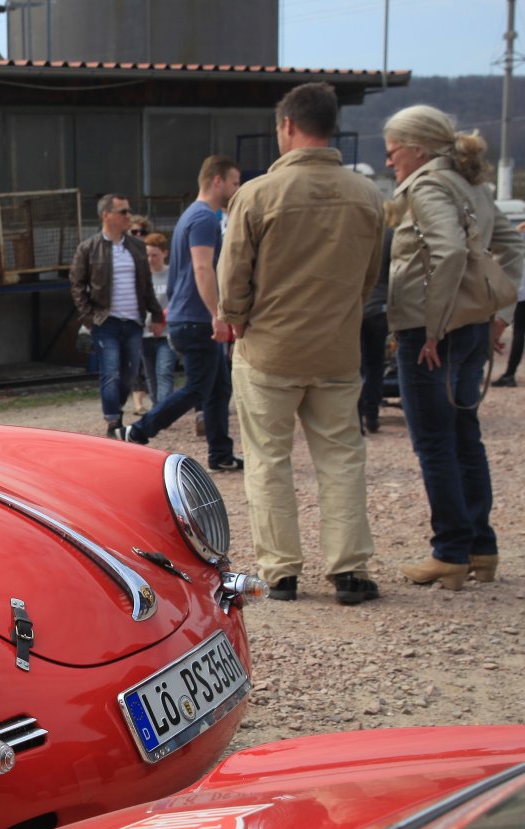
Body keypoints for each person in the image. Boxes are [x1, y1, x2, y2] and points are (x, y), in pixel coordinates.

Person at [217, 82, 385, 605]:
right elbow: (368, 278)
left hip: (269, 349)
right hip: (336, 350)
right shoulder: (368, 195)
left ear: (287, 125)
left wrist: (235, 318)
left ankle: (281, 571)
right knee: (342, 458)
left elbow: (232, 275)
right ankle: (349, 570)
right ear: (331, 125)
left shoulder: (258, 194)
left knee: (268, 459)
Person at [383, 105, 525, 589]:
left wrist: (432, 328)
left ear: (418, 149)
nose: (389, 161)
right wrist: (500, 313)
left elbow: (448, 251)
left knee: (434, 444)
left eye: (394, 151)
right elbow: (513, 247)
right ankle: (481, 547)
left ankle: (450, 552)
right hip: (473, 327)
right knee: (465, 436)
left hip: (432, 333)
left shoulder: (427, 186)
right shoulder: (473, 185)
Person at [124, 156, 242, 471]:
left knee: (219, 388)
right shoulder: (204, 218)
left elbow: (185, 271)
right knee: (198, 387)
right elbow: (202, 268)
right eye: (234, 183)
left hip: (188, 316)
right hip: (197, 319)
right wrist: (217, 313)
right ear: (217, 181)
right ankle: (138, 431)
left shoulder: (191, 215)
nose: (237, 189)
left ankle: (221, 454)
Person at [70, 193, 162, 438]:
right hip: (105, 321)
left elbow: (147, 285)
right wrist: (89, 318)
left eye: (128, 211)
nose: (128, 216)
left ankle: (116, 409)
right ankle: (113, 421)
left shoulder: (137, 247)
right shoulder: (88, 248)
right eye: (123, 212)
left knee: (129, 374)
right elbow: (77, 285)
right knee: (110, 371)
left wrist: (156, 315)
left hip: (133, 321)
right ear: (106, 216)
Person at [358, 221, 394, 433]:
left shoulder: (351, 233)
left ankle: (355, 417)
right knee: (375, 364)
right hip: (379, 306)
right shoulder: (389, 236)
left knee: (354, 366)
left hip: (353, 307)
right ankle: (371, 415)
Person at [140, 232, 175, 407]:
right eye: (147, 255)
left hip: (167, 332)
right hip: (146, 332)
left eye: (155, 255)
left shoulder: (173, 274)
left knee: (164, 371)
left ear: (164, 253)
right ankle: (157, 408)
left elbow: (178, 300)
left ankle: (163, 409)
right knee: (151, 374)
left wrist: (162, 320)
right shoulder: (141, 276)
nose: (150, 259)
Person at [497, 218, 525, 387]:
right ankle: (509, 374)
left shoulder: (518, 234)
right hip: (521, 290)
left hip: (521, 291)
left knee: (519, 333)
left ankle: (510, 374)